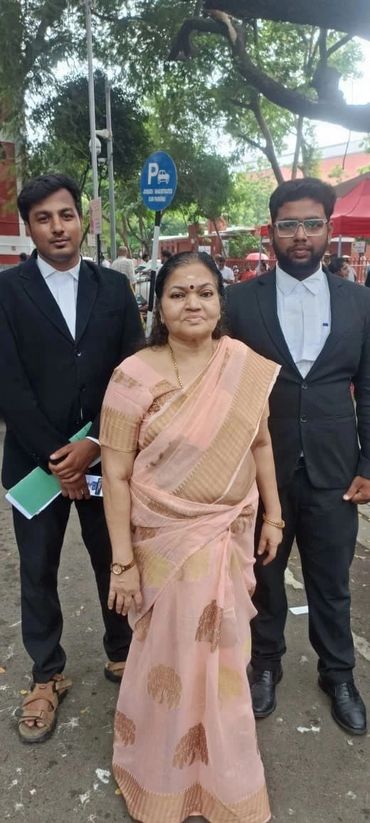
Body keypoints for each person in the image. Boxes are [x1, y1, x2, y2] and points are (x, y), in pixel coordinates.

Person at [100, 251, 282, 822]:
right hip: (165, 545)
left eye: (205, 292)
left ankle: (222, 777)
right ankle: (162, 778)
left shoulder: (242, 365)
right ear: (159, 306)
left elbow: (260, 444)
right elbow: (116, 475)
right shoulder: (133, 375)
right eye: (178, 294)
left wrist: (274, 516)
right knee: (169, 660)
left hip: (227, 537)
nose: (193, 304)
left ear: (221, 301)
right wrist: (123, 564)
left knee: (225, 663)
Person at [0, 173, 145, 743]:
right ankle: (46, 675)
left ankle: (122, 652)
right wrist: (60, 459)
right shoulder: (7, 292)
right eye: (43, 218)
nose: (57, 227)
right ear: (29, 227)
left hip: (107, 459)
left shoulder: (114, 288)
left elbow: (133, 373)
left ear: (82, 219)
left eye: (66, 215)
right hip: (35, 467)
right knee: (38, 569)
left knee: (114, 558)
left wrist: (96, 444)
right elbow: (8, 383)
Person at [225, 177, 370, 736]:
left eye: (312, 223)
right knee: (263, 575)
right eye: (289, 225)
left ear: (328, 229)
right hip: (262, 469)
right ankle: (265, 665)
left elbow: (368, 387)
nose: (301, 235)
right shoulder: (240, 302)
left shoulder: (359, 302)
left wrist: (369, 464)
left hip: (336, 470)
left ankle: (339, 674)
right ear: (272, 231)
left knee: (331, 581)